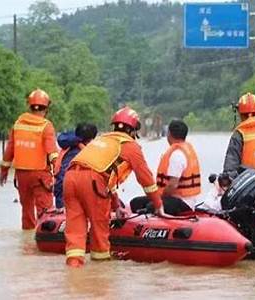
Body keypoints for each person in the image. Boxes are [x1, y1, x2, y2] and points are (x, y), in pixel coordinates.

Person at [63, 106, 167, 267]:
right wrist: (159, 205)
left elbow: (105, 176)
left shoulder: (101, 140)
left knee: (75, 231)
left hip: (70, 178)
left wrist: (116, 205)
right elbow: (146, 180)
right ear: (133, 130)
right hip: (93, 181)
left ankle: (74, 269)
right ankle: (101, 272)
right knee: (99, 230)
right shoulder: (131, 146)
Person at [0, 89, 58, 230]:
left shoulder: (18, 124)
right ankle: (42, 244)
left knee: (26, 211)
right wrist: (59, 171)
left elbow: (9, 151)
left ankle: (27, 243)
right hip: (40, 175)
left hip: (22, 175)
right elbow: (52, 153)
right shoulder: (46, 126)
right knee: (45, 212)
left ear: (30, 106)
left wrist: (4, 171)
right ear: (46, 108)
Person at [130, 120, 201, 215]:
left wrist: (159, 198)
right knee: (136, 202)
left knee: (151, 206)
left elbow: (172, 185)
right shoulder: (185, 150)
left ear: (169, 134)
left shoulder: (177, 155)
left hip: (182, 201)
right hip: (177, 198)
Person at [53, 123, 98, 210]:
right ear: (89, 140)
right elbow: (62, 177)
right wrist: (60, 203)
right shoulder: (76, 153)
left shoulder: (73, 148)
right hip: (69, 197)